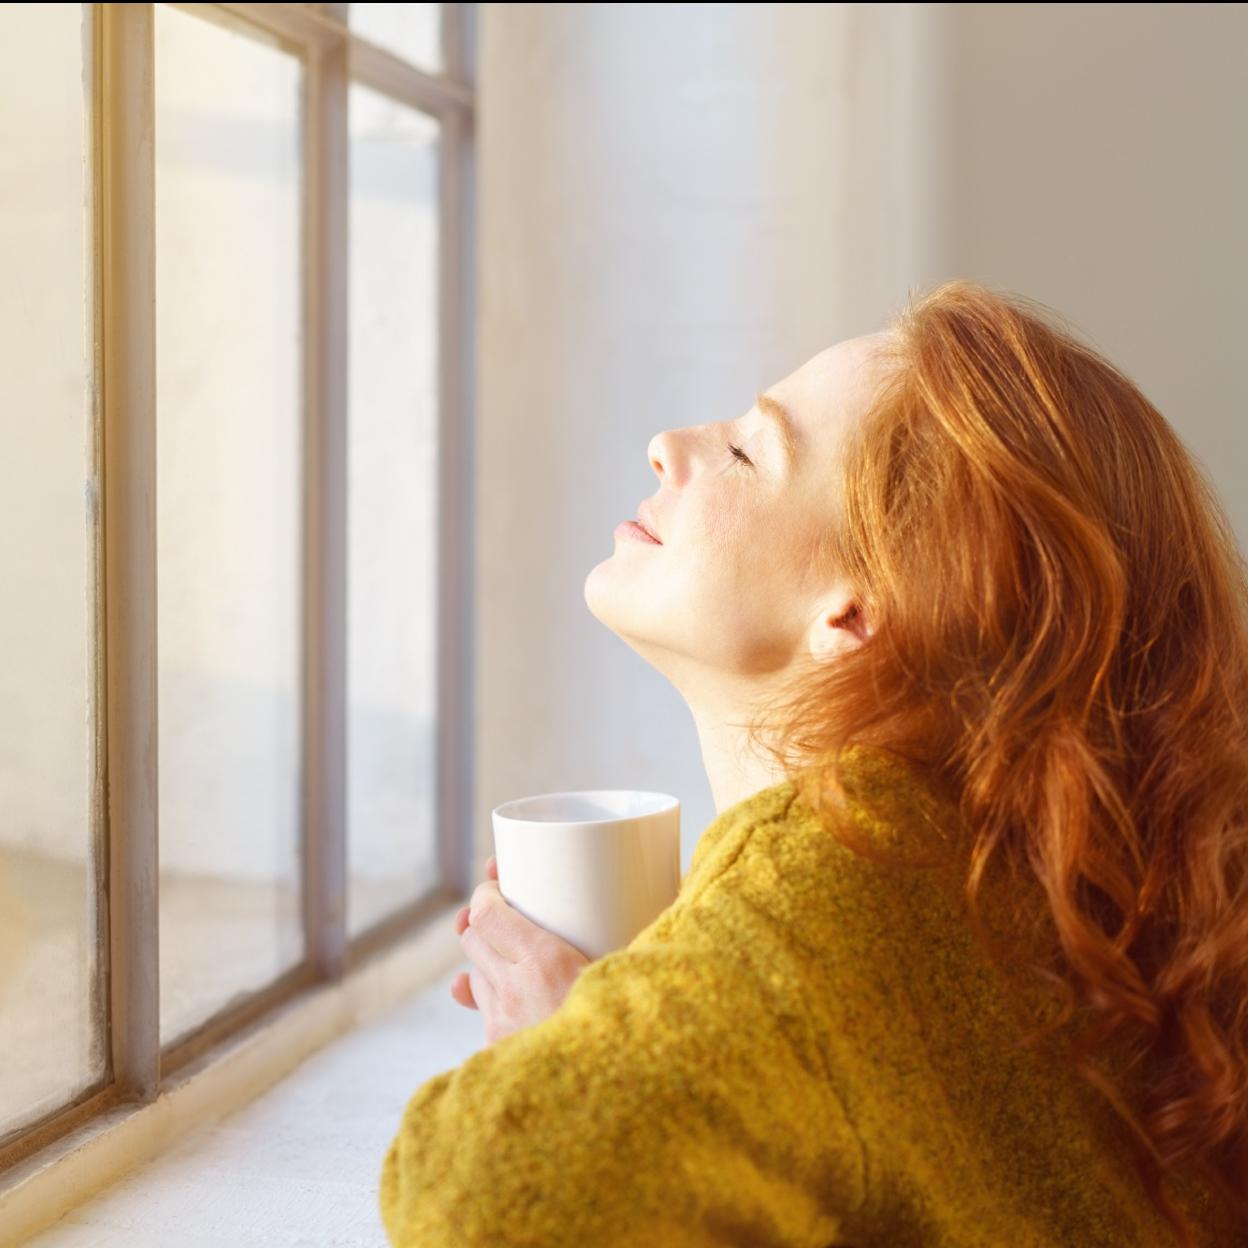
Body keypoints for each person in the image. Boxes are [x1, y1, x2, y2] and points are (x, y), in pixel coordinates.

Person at [379, 279, 1247, 1247]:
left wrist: (553, 1057)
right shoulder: (995, 880)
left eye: (750, 450)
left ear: (857, 613)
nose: (672, 446)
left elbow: (489, 1199)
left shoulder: (843, 876)